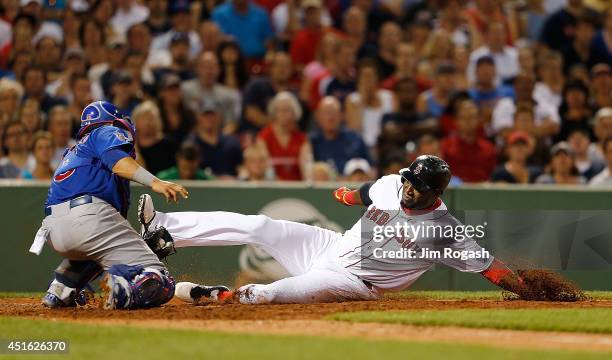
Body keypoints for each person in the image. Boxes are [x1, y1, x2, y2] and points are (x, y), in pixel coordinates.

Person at [137, 155, 529, 304]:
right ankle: (164, 230)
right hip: (328, 246)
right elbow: (362, 193)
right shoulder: (393, 183)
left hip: (355, 282)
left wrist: (530, 290)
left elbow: (490, 267)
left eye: (419, 187)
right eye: (410, 181)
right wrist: (343, 194)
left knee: (262, 296)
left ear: (436, 193)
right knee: (259, 225)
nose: (410, 188)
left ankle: (198, 296)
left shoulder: (445, 231)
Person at [33, 100, 222, 310]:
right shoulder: (103, 132)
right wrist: (155, 182)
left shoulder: (73, 153)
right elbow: (117, 160)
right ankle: (122, 292)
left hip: (53, 230)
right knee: (160, 280)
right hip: (88, 219)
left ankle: (62, 287)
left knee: (97, 253)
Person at [257, 92, 312, 181]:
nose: (283, 114)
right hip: (272, 185)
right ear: (274, 113)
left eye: (287, 110)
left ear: (294, 113)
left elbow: (306, 169)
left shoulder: (302, 139)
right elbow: (265, 167)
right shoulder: (264, 137)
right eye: (280, 110)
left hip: (297, 187)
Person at [310, 96, 370, 175]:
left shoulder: (355, 139)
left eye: (334, 113)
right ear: (318, 116)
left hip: (351, 186)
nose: (330, 118)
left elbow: (371, 169)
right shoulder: (311, 142)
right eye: (326, 113)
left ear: (341, 115)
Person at [441, 99, 497, 183]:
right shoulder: (445, 146)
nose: (468, 121)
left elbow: (494, 178)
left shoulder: (489, 148)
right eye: (464, 117)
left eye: (471, 117)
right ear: (456, 121)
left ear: (478, 120)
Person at [185, 98, 243, 177]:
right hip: (201, 187)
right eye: (205, 115)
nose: (209, 119)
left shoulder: (232, 143)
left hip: (231, 186)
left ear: (219, 117)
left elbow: (241, 168)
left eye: (212, 115)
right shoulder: (191, 143)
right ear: (198, 117)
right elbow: (186, 172)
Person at [345, 58, 395, 148]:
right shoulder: (352, 100)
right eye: (364, 76)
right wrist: (362, 101)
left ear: (377, 78)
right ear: (359, 79)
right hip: (361, 148)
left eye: (371, 76)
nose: (367, 80)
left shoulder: (389, 97)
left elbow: (393, 127)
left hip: (385, 146)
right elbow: (354, 130)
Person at [132, 101, 177, 175]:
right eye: (143, 118)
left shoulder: (168, 144)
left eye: (151, 118)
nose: (147, 122)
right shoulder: (129, 144)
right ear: (136, 121)